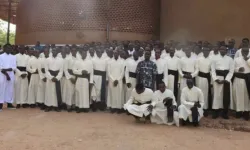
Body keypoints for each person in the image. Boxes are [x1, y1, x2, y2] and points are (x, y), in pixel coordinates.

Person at [211, 45, 234, 119]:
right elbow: (213, 70)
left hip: (226, 79)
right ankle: (215, 112)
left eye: (224, 50)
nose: (223, 51)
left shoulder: (230, 59)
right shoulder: (214, 58)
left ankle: (225, 113)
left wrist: (226, 79)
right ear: (219, 50)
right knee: (217, 95)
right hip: (217, 78)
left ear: (226, 51)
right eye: (221, 49)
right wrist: (215, 79)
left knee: (226, 96)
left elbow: (231, 71)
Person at [233, 47, 250, 120]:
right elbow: (232, 68)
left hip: (248, 80)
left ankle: (246, 112)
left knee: (246, 97)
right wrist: (238, 69)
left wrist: (247, 60)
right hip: (238, 80)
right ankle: (238, 111)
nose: (245, 53)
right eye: (244, 51)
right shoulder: (237, 59)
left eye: (247, 52)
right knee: (238, 95)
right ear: (241, 52)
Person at [107, 48, 125, 113]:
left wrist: (118, 80)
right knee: (112, 93)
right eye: (114, 53)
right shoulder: (109, 61)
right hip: (112, 80)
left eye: (117, 53)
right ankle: (113, 107)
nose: (115, 54)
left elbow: (122, 72)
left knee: (119, 94)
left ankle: (119, 107)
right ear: (113, 54)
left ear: (118, 54)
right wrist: (113, 80)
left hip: (119, 81)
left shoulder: (122, 61)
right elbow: (108, 72)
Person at [196, 47, 212, 117]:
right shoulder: (198, 59)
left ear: (209, 52)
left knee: (205, 94)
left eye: (207, 50)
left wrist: (211, 82)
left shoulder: (211, 60)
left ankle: (205, 108)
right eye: (205, 50)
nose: (206, 52)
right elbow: (197, 70)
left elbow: (212, 71)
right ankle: (198, 108)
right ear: (203, 51)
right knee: (198, 93)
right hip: (199, 78)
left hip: (206, 79)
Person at [0, 44, 16, 111]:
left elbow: (14, 67)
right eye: (7, 48)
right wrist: (6, 74)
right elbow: (0, 67)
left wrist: (7, 70)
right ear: (4, 48)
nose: (9, 49)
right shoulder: (0, 56)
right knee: (1, 89)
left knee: (10, 89)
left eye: (10, 48)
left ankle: (9, 103)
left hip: (11, 75)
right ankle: (0, 104)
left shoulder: (13, 57)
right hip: (2, 74)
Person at [62, 46, 77, 112]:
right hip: (69, 77)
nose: (74, 52)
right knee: (69, 91)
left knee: (75, 91)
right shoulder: (67, 59)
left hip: (76, 76)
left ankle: (74, 104)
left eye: (75, 50)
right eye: (73, 50)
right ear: (71, 51)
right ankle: (68, 105)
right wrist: (70, 78)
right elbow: (65, 70)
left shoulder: (78, 58)